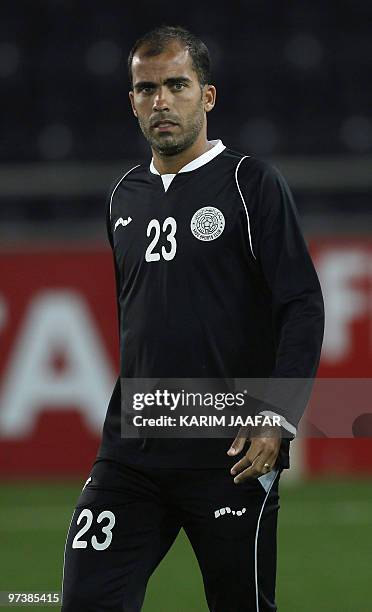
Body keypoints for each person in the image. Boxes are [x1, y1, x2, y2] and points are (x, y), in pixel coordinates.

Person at [61, 25, 324, 611]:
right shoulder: (122, 196)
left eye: (176, 85)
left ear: (207, 96)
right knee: (85, 598)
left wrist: (276, 414)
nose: (161, 101)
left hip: (228, 452)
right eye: (146, 88)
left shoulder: (250, 185)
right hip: (132, 452)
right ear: (131, 101)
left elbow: (302, 305)